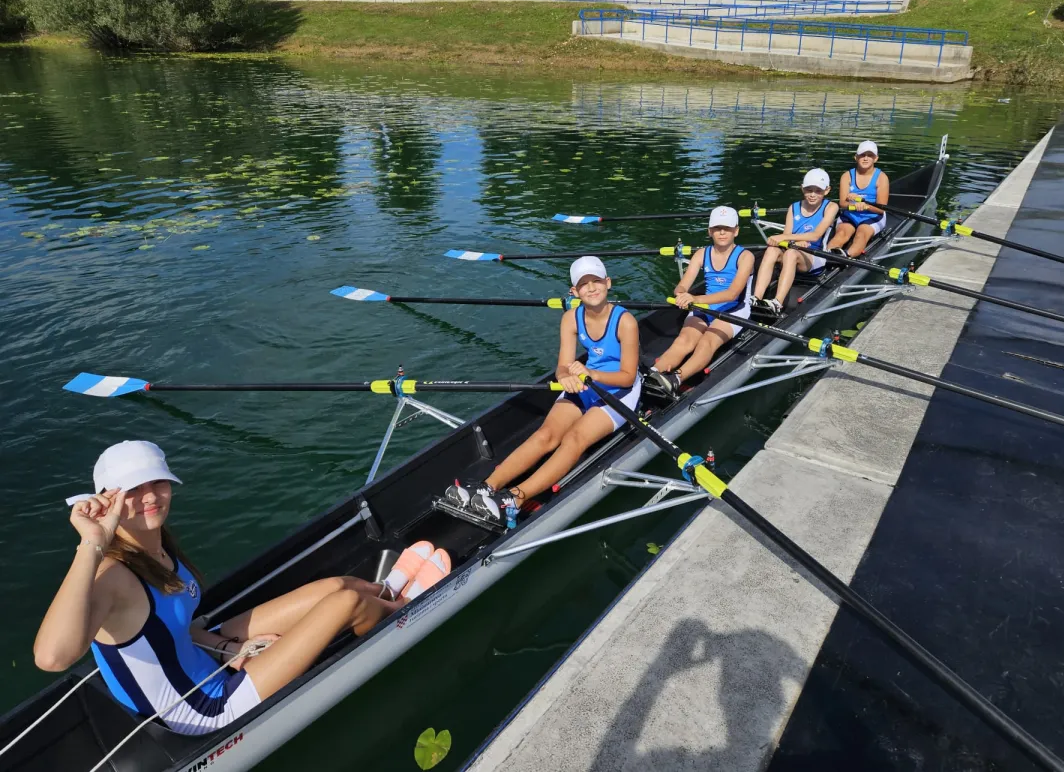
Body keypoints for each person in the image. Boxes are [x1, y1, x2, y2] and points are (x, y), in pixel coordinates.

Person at [34, 440, 448, 735]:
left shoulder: (156, 546)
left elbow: (173, 630)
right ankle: (407, 611)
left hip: (203, 658)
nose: (150, 497)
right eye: (133, 490)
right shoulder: (110, 575)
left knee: (338, 585)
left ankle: (388, 591)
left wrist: (228, 649)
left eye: (157, 482)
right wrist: (92, 542)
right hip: (204, 710)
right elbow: (52, 657)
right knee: (346, 604)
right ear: (106, 501)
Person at [445, 256, 641, 525]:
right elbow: (562, 367)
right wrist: (565, 378)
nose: (591, 288)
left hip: (619, 391)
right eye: (583, 284)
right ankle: (487, 486)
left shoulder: (626, 321)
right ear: (574, 292)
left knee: (574, 438)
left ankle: (515, 498)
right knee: (546, 435)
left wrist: (591, 374)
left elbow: (628, 377)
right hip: (585, 382)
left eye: (596, 281)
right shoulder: (571, 318)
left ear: (608, 283)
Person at [646, 206, 755, 397]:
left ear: (736, 231)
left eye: (727, 228)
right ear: (710, 231)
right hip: (705, 307)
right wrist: (681, 294)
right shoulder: (701, 254)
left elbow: (732, 294)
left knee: (707, 342)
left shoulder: (745, 256)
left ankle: (676, 379)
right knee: (684, 341)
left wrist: (695, 299)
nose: (722, 232)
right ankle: (652, 375)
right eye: (717, 228)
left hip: (734, 309)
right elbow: (682, 285)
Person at [749, 169, 839, 315]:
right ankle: (756, 298)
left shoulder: (831, 207)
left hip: (815, 256)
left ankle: (777, 303)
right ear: (802, 188)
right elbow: (787, 236)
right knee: (771, 250)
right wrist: (793, 242)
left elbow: (816, 236)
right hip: (795, 249)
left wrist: (790, 240)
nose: (812, 194)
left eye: (818, 191)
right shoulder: (794, 207)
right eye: (809, 190)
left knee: (791, 253)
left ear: (827, 190)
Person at [826, 140, 890, 258]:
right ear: (856, 157)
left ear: (876, 159)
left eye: (870, 155)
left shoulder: (882, 178)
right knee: (841, 233)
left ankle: (847, 257)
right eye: (862, 155)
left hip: (873, 216)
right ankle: (827, 256)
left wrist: (864, 205)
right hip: (851, 214)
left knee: (861, 234)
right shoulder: (846, 176)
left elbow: (881, 209)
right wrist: (854, 206)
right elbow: (842, 204)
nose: (865, 158)